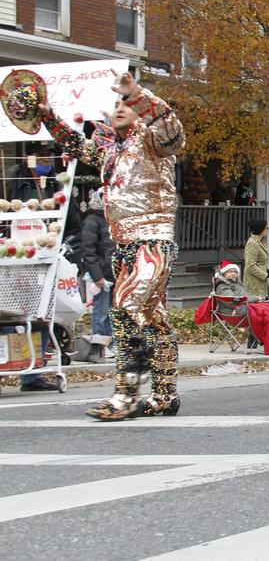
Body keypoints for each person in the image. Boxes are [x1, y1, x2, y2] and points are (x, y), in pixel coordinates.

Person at [38, 72, 185, 419]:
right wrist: (46, 116)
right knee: (154, 319)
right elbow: (75, 145)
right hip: (123, 246)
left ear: (138, 111)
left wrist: (136, 93)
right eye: (116, 103)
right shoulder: (110, 150)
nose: (118, 108)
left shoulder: (154, 141)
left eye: (125, 105)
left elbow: (171, 127)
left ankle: (127, 393)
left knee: (124, 308)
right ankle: (165, 394)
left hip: (152, 242)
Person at [80, 188, 114, 341]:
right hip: (102, 274)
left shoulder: (114, 219)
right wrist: (97, 276)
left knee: (113, 312)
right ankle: (100, 343)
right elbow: (88, 251)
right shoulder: (92, 220)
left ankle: (111, 343)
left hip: (116, 272)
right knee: (101, 311)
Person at [243, 219, 269, 299]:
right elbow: (250, 265)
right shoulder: (252, 243)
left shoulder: (259, 241)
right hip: (253, 283)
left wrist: (266, 270)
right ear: (261, 229)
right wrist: (265, 275)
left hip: (260, 282)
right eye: (267, 228)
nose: (268, 229)